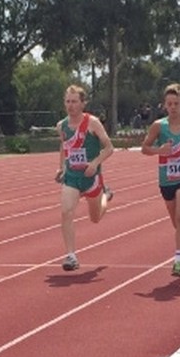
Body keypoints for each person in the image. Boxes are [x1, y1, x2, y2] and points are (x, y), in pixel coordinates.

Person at [140, 82, 180, 278]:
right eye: (169, 104)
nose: (173, 107)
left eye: (176, 103)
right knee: (177, 221)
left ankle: (178, 261)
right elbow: (144, 148)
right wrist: (159, 151)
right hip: (167, 179)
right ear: (164, 105)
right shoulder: (159, 126)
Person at [55, 84, 114, 271]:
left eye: (74, 101)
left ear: (82, 103)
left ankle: (105, 196)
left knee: (95, 218)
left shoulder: (92, 123)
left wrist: (95, 163)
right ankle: (71, 255)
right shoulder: (61, 126)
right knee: (66, 212)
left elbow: (109, 148)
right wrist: (61, 168)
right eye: (67, 101)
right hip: (72, 177)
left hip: (92, 179)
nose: (70, 105)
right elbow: (64, 148)